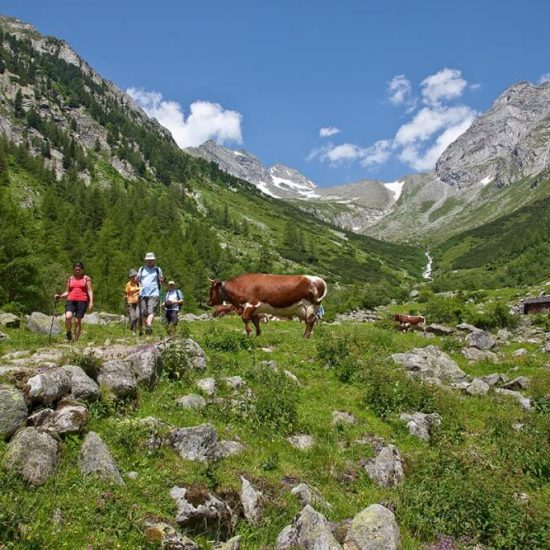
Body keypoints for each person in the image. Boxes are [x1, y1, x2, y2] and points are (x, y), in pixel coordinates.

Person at [55, 261, 94, 341]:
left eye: (79, 269)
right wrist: (60, 296)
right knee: (68, 316)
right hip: (71, 300)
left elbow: (90, 291)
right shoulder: (70, 279)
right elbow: (67, 291)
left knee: (77, 320)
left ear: (82, 270)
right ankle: (68, 332)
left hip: (82, 300)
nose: (77, 271)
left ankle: (76, 339)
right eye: (76, 269)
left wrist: (91, 302)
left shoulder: (86, 279)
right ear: (73, 270)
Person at [137, 252, 164, 335]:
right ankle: (147, 329)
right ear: (146, 260)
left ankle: (148, 324)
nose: (150, 261)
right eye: (148, 260)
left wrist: (162, 280)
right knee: (143, 312)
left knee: (151, 310)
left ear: (154, 260)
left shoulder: (157, 269)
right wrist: (136, 279)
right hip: (143, 293)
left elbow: (161, 279)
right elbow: (138, 279)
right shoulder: (141, 269)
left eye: (151, 260)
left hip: (154, 293)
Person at [124, 269, 141, 336]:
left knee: (138, 316)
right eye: (132, 276)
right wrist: (125, 298)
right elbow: (126, 293)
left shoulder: (139, 283)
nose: (134, 277)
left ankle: (140, 328)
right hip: (130, 302)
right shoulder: (128, 284)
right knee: (132, 317)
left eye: (135, 276)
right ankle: (133, 331)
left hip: (139, 302)